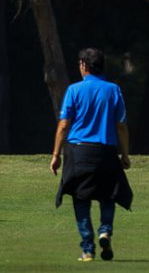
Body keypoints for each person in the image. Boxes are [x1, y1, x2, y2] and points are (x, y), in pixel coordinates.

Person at [50, 47, 133, 262]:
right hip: (106, 151)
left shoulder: (74, 90)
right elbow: (121, 126)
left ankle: (88, 248)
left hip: (79, 151)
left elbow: (63, 125)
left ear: (84, 65)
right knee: (108, 195)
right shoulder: (113, 90)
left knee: (80, 198)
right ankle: (105, 230)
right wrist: (124, 155)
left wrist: (56, 154)